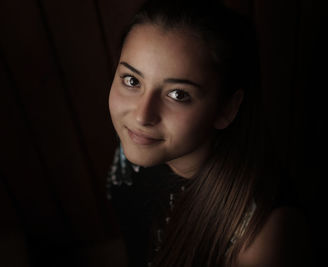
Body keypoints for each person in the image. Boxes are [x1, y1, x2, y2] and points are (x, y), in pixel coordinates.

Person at [106, 0, 311, 266]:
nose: (142, 116)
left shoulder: (261, 239)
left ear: (227, 108)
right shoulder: (139, 141)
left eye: (178, 94)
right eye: (132, 81)